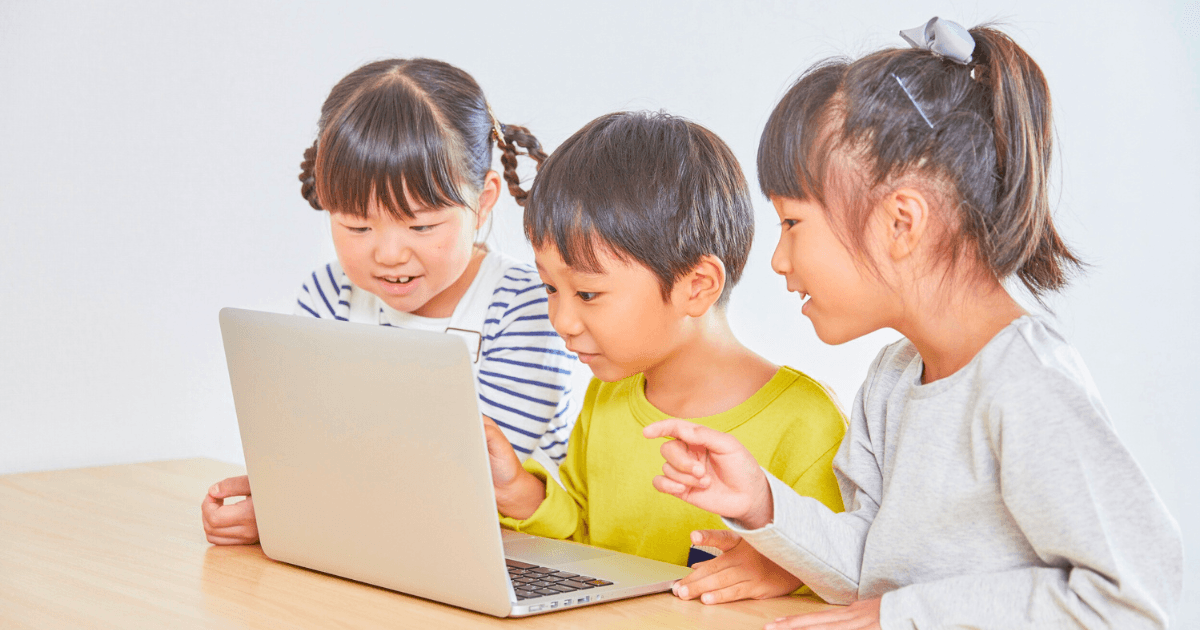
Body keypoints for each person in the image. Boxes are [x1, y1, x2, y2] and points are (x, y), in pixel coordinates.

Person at [645, 19, 1184, 629]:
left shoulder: (1025, 383)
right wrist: (763, 503)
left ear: (901, 222)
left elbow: (1134, 599)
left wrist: (901, 615)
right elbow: (870, 571)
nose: (777, 259)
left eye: (792, 223)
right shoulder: (893, 379)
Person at [202, 58, 582, 546]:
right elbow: (305, 446)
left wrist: (310, 498)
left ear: (484, 200)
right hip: (378, 546)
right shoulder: (328, 295)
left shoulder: (524, 306)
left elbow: (462, 480)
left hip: (513, 550)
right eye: (357, 226)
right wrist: (276, 505)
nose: (388, 254)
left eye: (422, 225)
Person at [484, 110, 848, 604]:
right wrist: (519, 492)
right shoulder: (607, 395)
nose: (562, 320)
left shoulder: (806, 423)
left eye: (587, 294)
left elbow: (848, 579)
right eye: (550, 287)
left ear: (696, 286)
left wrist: (788, 567)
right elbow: (584, 546)